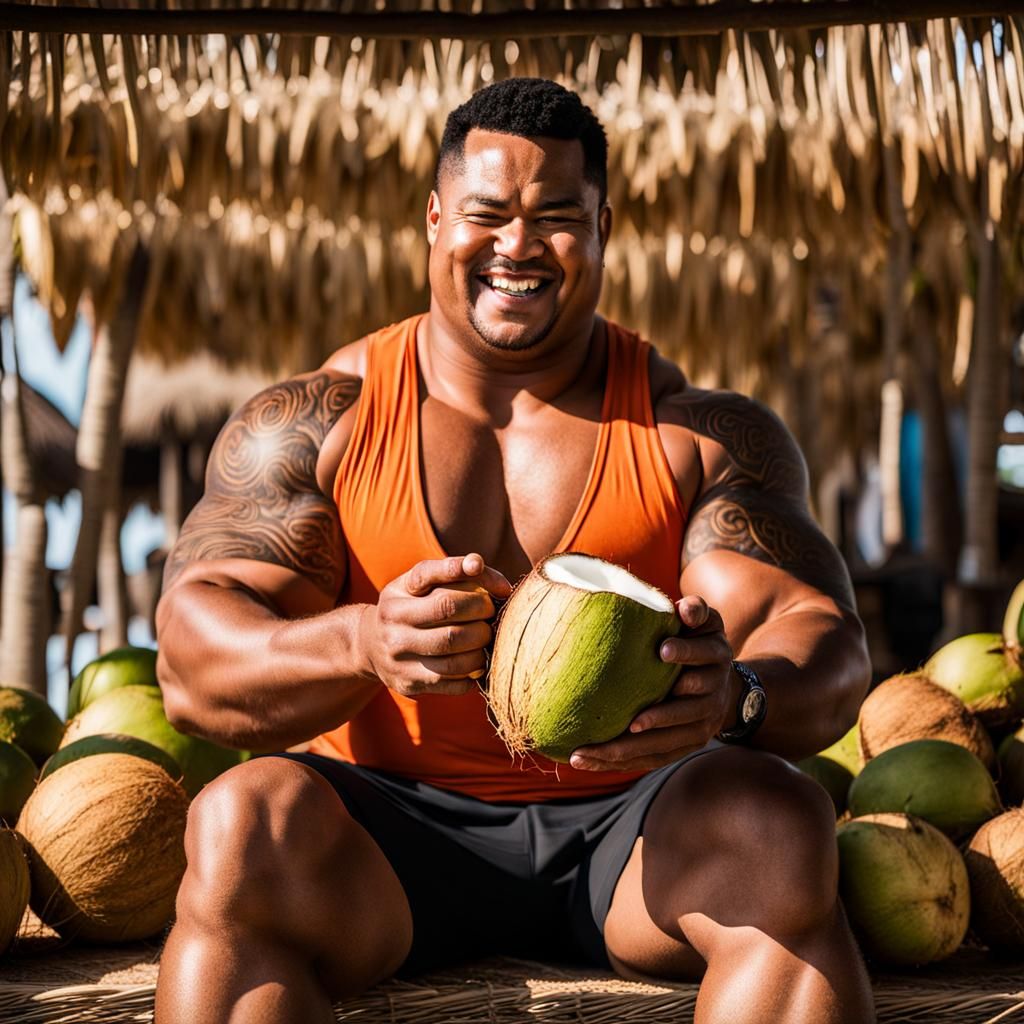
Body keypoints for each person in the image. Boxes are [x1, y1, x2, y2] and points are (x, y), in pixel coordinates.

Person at [153, 78, 875, 1024]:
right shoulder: (313, 423)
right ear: (435, 218)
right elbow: (189, 664)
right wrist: (365, 642)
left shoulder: (699, 435)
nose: (520, 245)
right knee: (241, 827)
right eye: (488, 214)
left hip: (637, 835)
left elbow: (823, 640)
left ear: (605, 224)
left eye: (558, 217)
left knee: (782, 829)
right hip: (384, 836)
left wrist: (735, 692)